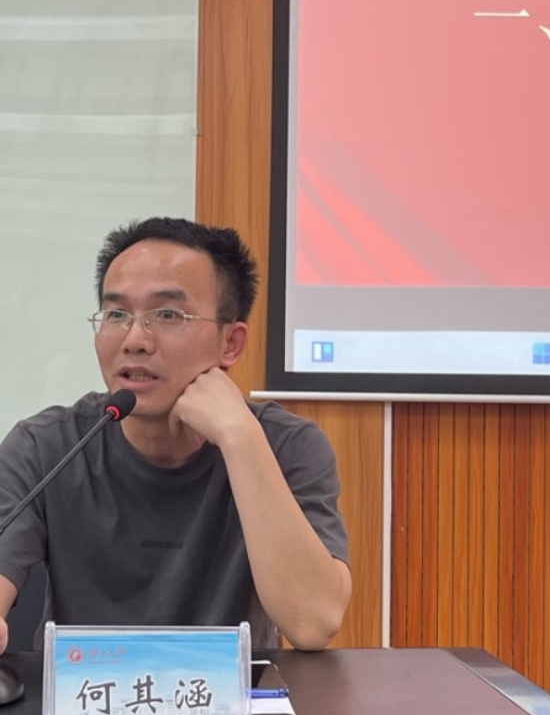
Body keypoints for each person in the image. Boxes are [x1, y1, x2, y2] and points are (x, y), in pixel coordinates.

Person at [0, 217, 352, 653]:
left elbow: (313, 622)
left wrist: (239, 437)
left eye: (167, 314)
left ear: (230, 344)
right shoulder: (45, 447)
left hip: (235, 698)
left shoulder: (286, 446)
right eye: (116, 314)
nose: (134, 340)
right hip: (85, 694)